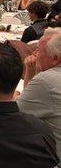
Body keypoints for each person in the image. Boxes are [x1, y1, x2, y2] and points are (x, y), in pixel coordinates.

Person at [17, 28, 61, 160]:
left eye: (39, 49)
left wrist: (14, 97)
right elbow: (30, 101)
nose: (34, 53)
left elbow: (13, 114)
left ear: (54, 58)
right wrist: (30, 71)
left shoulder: (46, 81)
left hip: (54, 167)